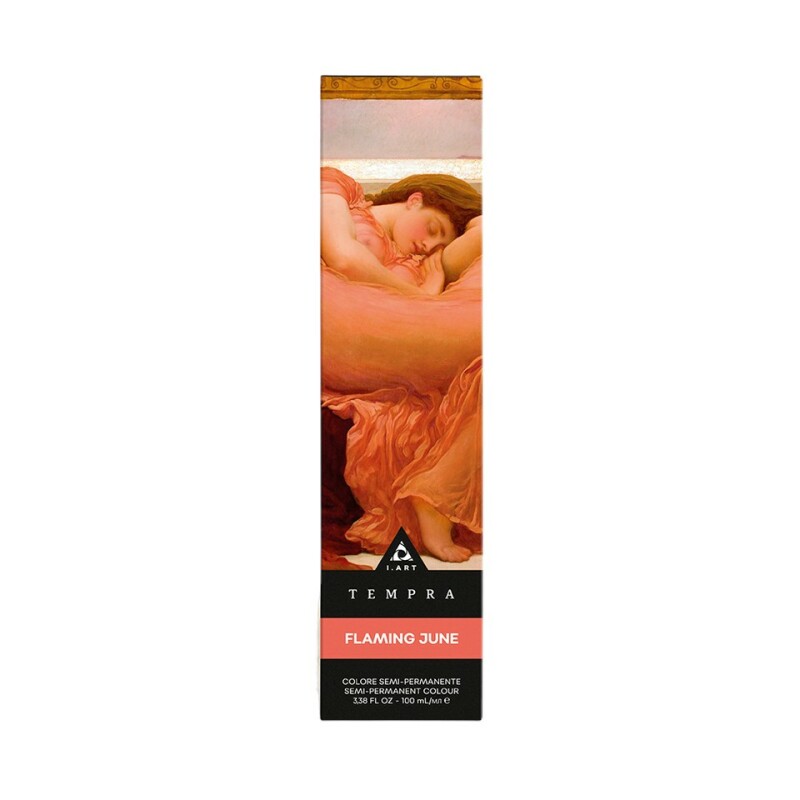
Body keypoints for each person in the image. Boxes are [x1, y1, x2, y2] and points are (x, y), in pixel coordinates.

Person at [321, 167, 483, 563]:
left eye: (439, 244)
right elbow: (344, 257)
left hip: (371, 334)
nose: (428, 246)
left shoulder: (417, 266)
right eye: (433, 228)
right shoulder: (339, 188)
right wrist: (423, 298)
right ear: (415, 199)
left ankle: (435, 491)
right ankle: (435, 494)